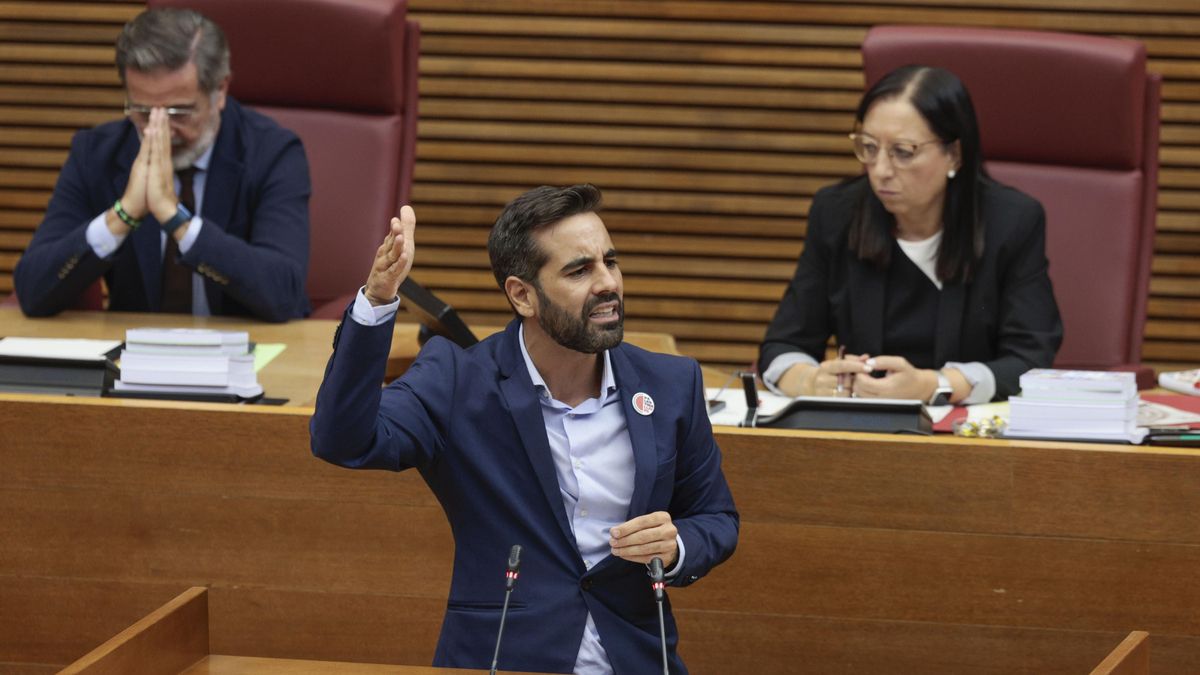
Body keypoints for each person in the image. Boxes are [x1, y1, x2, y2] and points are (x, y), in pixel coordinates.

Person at [310, 185, 738, 674]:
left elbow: (716, 518)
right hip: (504, 658)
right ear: (522, 295)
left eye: (611, 262)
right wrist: (376, 303)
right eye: (579, 270)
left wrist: (677, 545)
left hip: (635, 658)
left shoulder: (671, 384)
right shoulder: (458, 381)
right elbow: (341, 439)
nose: (608, 283)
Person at [759, 65, 1062, 404]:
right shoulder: (837, 213)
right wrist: (810, 380)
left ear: (954, 154)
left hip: (973, 440)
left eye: (903, 152)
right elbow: (782, 346)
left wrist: (936, 385)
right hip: (860, 432)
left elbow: (1030, 361)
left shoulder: (1012, 221)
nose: (881, 171)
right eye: (869, 147)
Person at [13, 8, 310, 322]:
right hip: (135, 359)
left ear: (219, 91)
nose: (160, 130)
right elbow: (33, 293)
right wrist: (124, 214)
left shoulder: (272, 152)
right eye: (142, 111)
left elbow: (284, 294)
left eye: (178, 113)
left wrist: (176, 220)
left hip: (252, 355)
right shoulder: (97, 154)